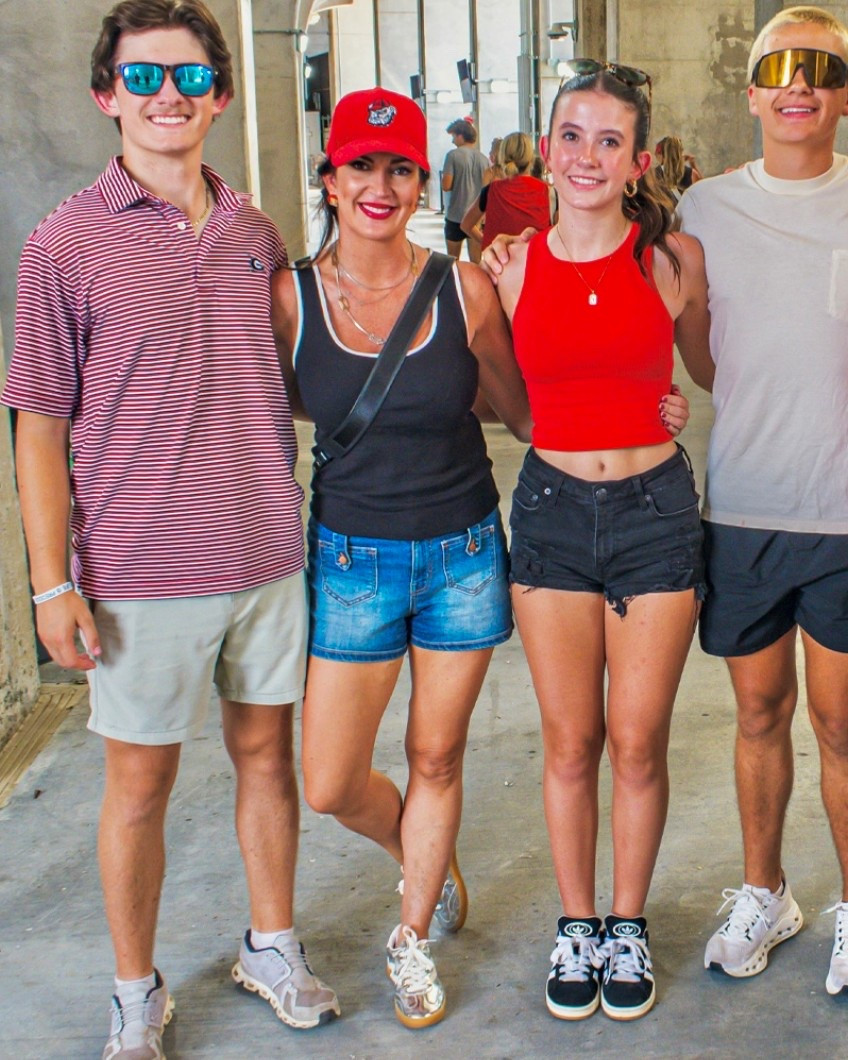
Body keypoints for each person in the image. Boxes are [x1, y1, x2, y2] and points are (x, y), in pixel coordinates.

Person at [1, 2, 338, 1056]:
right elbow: (40, 424)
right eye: (142, 78)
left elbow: (297, 373)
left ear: (220, 96)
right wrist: (51, 583)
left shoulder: (254, 233)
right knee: (140, 784)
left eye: (189, 78)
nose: (166, 97)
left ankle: (270, 944)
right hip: (139, 569)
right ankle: (134, 989)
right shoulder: (63, 242)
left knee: (267, 759)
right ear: (107, 95)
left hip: (265, 555)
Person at [269, 86, 535, 1029]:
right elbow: (288, 407)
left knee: (436, 753)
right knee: (332, 780)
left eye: (399, 169)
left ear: (423, 182)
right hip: (353, 560)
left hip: (463, 552)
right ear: (331, 179)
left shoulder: (465, 290)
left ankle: (412, 933)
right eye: (361, 167)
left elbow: (521, 413)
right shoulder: (290, 298)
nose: (379, 186)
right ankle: (418, 850)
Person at [483, 59, 713, 1022]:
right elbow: (497, 397)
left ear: (638, 161)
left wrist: (676, 402)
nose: (587, 156)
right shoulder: (508, 268)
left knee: (637, 741)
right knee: (572, 742)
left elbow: (709, 369)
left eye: (609, 140)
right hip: (551, 512)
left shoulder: (673, 261)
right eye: (572, 136)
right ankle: (578, 924)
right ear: (547, 149)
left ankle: (628, 922)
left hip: (655, 512)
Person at [674, 5, 848, 996]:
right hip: (743, 506)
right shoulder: (704, 210)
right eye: (780, 69)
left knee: (838, 725)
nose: (799, 86)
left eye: (820, 70)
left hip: (842, 513)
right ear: (750, 93)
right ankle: (764, 892)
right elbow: (706, 362)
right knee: (755, 712)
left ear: (841, 96)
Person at [460, 131, 552, 250]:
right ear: (531, 159)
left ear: (502, 157)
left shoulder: (491, 191)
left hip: (499, 258)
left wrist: (487, 242)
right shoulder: (547, 191)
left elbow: (466, 225)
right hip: (535, 258)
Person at [441, 118, 489, 262]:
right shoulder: (484, 159)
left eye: (453, 136)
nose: (452, 141)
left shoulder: (452, 156)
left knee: (453, 261)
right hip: (476, 218)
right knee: (476, 263)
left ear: (461, 136)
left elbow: (446, 185)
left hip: (456, 215)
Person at [655, 135, 702, 199]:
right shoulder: (691, 174)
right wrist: (693, 164)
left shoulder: (652, 175)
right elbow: (703, 191)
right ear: (680, 153)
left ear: (663, 153)